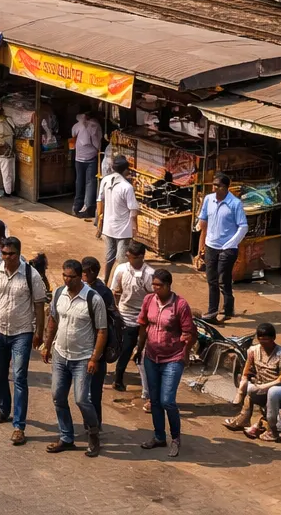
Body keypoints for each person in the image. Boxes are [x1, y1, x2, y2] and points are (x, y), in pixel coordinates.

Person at [0, 235, 48, 446]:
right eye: (3, 253)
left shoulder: (30, 275)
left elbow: (39, 305)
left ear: (18, 253)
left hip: (22, 333)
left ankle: (19, 425)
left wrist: (39, 333)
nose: (6, 257)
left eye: (11, 254)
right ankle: (3, 410)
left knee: (19, 377)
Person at [43, 258, 108, 456]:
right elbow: (53, 320)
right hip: (61, 354)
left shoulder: (93, 299)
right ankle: (66, 437)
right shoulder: (58, 293)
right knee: (58, 396)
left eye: (71, 277)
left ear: (80, 277)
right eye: (64, 275)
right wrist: (47, 345)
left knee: (82, 399)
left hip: (82, 357)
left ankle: (93, 433)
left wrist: (94, 359)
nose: (67, 280)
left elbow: (102, 331)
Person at [137, 268, 195, 456]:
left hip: (173, 358)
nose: (155, 289)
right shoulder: (148, 300)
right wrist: (139, 349)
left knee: (167, 401)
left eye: (159, 286)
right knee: (154, 400)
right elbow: (143, 325)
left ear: (168, 286)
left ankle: (175, 438)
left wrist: (185, 354)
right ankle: (159, 437)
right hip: (151, 357)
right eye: (153, 285)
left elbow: (190, 333)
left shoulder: (180, 305)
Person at [225, 323, 281, 439]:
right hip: (261, 386)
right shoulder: (253, 351)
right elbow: (246, 372)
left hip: (280, 389)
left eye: (267, 341)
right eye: (261, 340)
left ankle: (272, 431)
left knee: (273, 391)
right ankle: (244, 418)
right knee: (247, 384)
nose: (264, 344)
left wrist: (263, 387)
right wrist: (240, 392)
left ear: (273, 338)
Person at [196, 174, 248, 321]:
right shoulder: (208, 199)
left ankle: (227, 308)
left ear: (225, 188)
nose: (214, 188)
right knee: (211, 279)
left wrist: (231, 243)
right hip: (211, 246)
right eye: (213, 185)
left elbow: (243, 226)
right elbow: (203, 221)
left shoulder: (235, 203)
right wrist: (201, 244)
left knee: (223, 279)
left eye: (217, 185)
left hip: (227, 249)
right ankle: (212, 311)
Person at [108, 241, 155, 397]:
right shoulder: (121, 270)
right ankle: (119, 378)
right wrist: (115, 312)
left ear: (141, 257)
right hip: (124, 316)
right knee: (125, 349)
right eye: (128, 256)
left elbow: (155, 297)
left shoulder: (149, 274)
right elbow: (115, 291)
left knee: (140, 353)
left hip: (143, 319)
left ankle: (145, 389)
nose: (129, 260)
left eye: (132, 257)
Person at [81, 256, 118, 431]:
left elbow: (107, 324)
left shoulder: (102, 293)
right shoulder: (78, 289)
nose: (82, 276)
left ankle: (95, 426)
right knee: (82, 393)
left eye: (85, 273)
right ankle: (88, 424)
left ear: (93, 273)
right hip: (80, 347)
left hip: (97, 348)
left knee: (94, 392)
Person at [95, 155, 140, 275]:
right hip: (123, 228)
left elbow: (100, 201)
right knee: (122, 259)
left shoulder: (105, 180)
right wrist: (135, 227)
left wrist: (100, 221)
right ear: (125, 170)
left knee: (109, 255)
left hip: (108, 226)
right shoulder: (127, 187)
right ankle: (119, 283)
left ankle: (106, 278)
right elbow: (133, 209)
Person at [71, 110, 104, 218]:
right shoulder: (96, 126)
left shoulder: (80, 125)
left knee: (80, 182)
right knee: (90, 183)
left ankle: (77, 206)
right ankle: (87, 207)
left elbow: (73, 133)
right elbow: (97, 142)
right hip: (91, 158)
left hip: (80, 158)